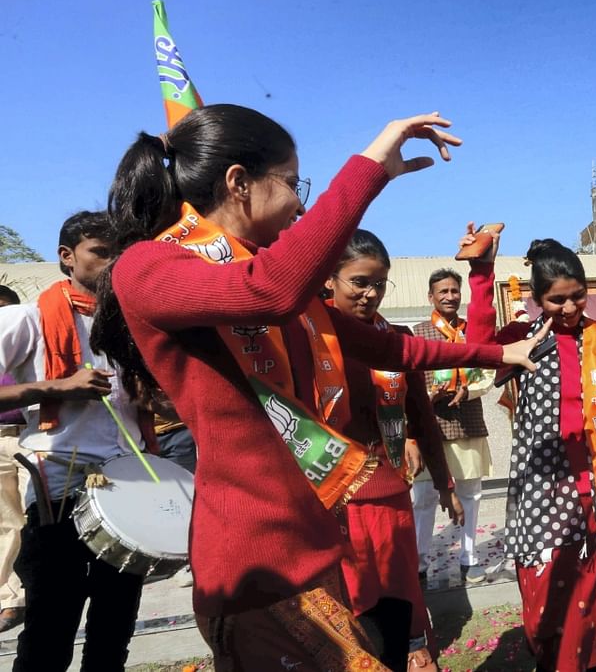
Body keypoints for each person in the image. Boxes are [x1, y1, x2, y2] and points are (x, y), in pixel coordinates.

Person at [91, 104, 545, 669]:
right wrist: (372, 164)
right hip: (256, 566)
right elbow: (270, 292)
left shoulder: (261, 275)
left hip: (314, 542)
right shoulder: (151, 267)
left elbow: (392, 349)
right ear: (239, 183)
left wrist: (501, 352)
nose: (301, 202)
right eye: (291, 182)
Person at [464, 231, 596, 672]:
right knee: (549, 599)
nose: (570, 308)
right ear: (538, 299)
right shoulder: (524, 336)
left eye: (578, 296)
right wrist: (481, 274)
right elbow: (476, 349)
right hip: (544, 489)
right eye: (557, 300)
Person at [0, 212, 149, 671]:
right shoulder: (26, 318)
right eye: (101, 253)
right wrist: (56, 388)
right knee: (50, 630)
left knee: (115, 628)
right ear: (66, 257)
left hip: (128, 488)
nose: (113, 264)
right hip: (57, 492)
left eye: (120, 254)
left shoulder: (129, 327)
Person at [325, 229, 460, 671]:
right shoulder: (309, 337)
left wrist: (444, 483)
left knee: (399, 590)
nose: (370, 294)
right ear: (330, 279)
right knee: (353, 604)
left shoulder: (396, 339)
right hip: (333, 497)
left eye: (379, 284)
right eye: (359, 282)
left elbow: (420, 415)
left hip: (390, 490)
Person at [411, 267, 494, 586]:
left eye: (454, 291)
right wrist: (426, 396)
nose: (449, 296)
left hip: (468, 421)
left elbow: (488, 373)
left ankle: (469, 558)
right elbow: (407, 377)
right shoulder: (417, 333)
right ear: (430, 296)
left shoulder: (475, 332)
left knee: (471, 493)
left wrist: (468, 390)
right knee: (423, 496)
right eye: (442, 291)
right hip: (428, 424)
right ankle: (418, 563)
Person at [0, 285, 27, 633]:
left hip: (29, 435)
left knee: (34, 517)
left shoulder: (28, 344)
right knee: (6, 523)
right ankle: (11, 598)